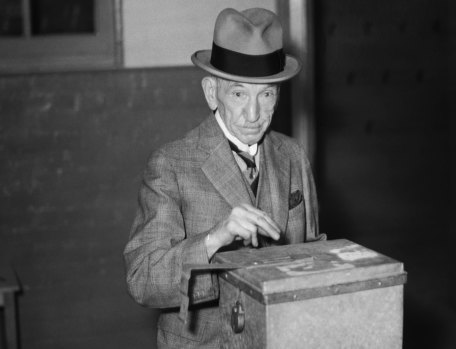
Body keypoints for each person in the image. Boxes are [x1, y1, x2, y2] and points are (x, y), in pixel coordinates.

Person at [123, 7, 323, 348]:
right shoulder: (171, 164)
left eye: (267, 94)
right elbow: (143, 279)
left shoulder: (293, 155)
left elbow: (312, 250)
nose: (254, 114)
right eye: (239, 94)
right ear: (212, 92)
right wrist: (215, 238)